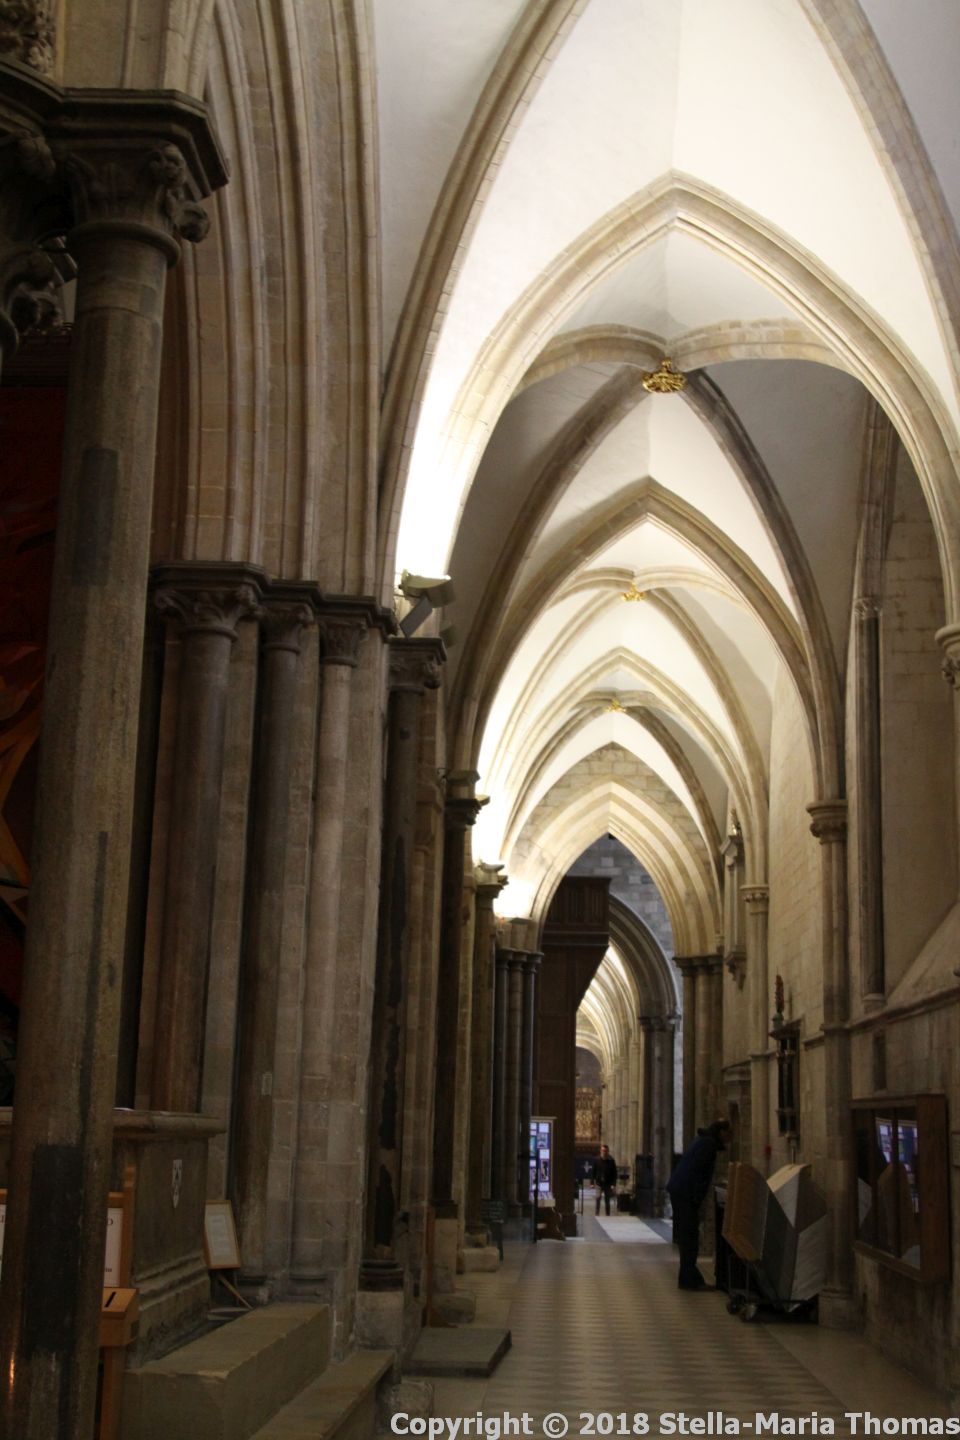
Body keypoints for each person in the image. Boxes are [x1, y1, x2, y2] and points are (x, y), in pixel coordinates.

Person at [666, 1118, 731, 1289]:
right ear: (721, 1132)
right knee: (690, 1237)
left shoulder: (703, 1140)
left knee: (688, 1236)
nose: (729, 1138)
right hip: (685, 1193)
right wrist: (696, 1199)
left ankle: (687, 1277)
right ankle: (689, 1279)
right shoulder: (708, 1145)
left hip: (680, 1191)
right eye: (728, 1134)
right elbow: (698, 1172)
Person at [594, 1143, 618, 1216]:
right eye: (603, 1151)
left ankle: (607, 1214)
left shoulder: (611, 1161)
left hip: (607, 1183)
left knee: (607, 1199)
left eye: (606, 1151)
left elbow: (614, 1173)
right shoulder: (597, 1160)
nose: (604, 1152)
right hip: (599, 1182)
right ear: (600, 1151)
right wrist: (592, 1182)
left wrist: (613, 1184)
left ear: (608, 1151)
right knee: (598, 1197)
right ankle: (597, 1213)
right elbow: (593, 1171)